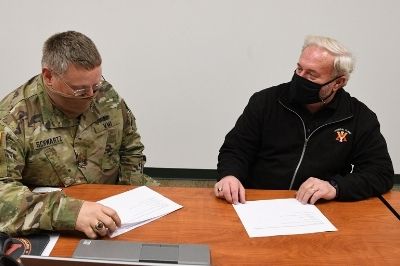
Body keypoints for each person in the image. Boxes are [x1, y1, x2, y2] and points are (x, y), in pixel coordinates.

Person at [0, 31, 157, 239]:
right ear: (49, 76)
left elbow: (131, 148)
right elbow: (3, 193)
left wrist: (132, 196)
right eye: (81, 91)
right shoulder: (13, 118)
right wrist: (70, 213)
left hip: (113, 207)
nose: (92, 96)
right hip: (51, 218)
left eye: (96, 85)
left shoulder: (105, 95)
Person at [215, 35, 394, 205]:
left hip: (317, 207)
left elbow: (380, 173)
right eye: (299, 68)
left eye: (311, 75)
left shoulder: (358, 116)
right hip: (257, 200)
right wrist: (230, 175)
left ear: (338, 83)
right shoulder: (266, 101)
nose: (300, 78)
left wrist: (336, 187)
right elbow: (236, 148)